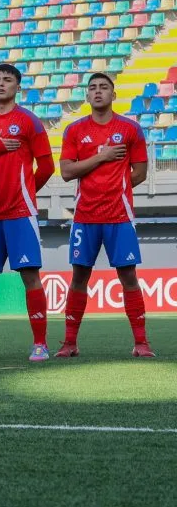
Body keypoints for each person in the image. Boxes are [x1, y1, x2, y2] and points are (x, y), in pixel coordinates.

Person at [57, 73, 153, 358]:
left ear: (113, 94)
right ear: (87, 96)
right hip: (85, 216)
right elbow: (66, 172)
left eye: (104, 87)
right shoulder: (74, 130)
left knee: (128, 276)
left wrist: (116, 187)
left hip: (119, 216)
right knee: (79, 276)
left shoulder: (130, 129)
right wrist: (102, 157)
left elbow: (140, 172)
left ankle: (141, 343)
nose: (98, 92)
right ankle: (69, 343)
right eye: (92, 88)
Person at [0, 64, 55, 362]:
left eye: (7, 80)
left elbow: (46, 167)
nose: (1, 84)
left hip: (20, 212)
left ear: (18, 87)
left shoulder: (29, 121)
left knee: (30, 276)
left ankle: (40, 344)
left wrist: (26, 191)